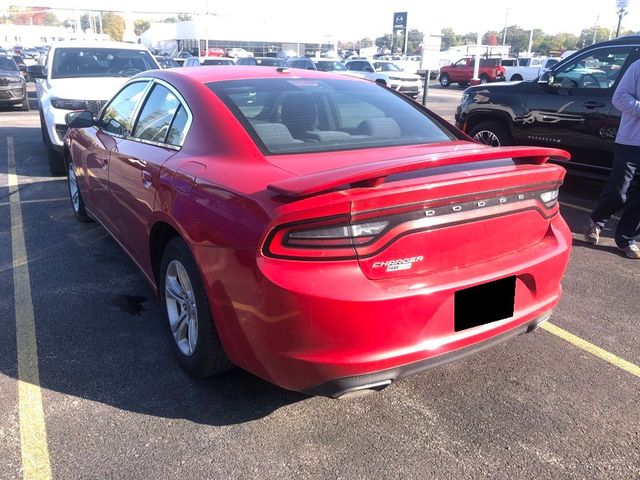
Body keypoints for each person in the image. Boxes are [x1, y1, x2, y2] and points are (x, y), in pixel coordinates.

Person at [584, 58, 640, 259]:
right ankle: (596, 221)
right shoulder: (637, 67)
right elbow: (619, 98)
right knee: (619, 190)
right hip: (631, 141)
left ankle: (626, 238)